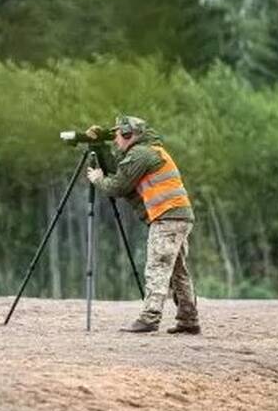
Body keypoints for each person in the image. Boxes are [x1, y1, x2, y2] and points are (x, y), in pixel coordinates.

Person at [84, 115, 200, 334]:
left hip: (167, 217)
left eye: (117, 135)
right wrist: (102, 144)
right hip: (178, 216)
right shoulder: (148, 151)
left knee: (157, 266)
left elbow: (118, 185)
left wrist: (98, 179)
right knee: (177, 271)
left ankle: (150, 318)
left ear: (129, 135)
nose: (116, 140)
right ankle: (188, 319)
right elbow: (122, 170)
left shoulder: (141, 154)